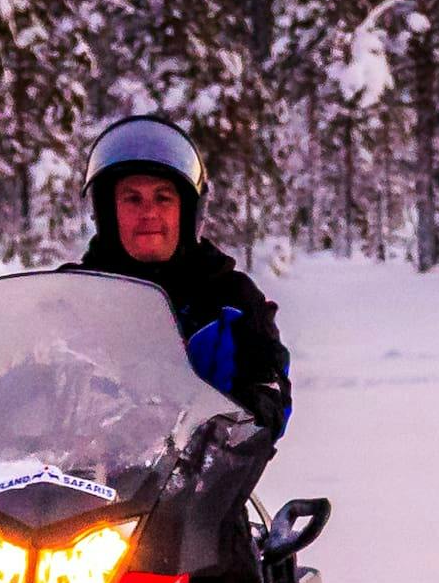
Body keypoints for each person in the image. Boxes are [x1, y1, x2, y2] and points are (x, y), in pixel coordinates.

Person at [77, 114, 291, 437]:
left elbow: (268, 391)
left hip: (201, 480)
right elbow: (22, 383)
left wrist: (227, 427)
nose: (148, 212)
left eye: (163, 198)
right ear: (109, 211)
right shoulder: (72, 297)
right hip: (82, 478)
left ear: (187, 210)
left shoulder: (232, 302)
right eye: (132, 198)